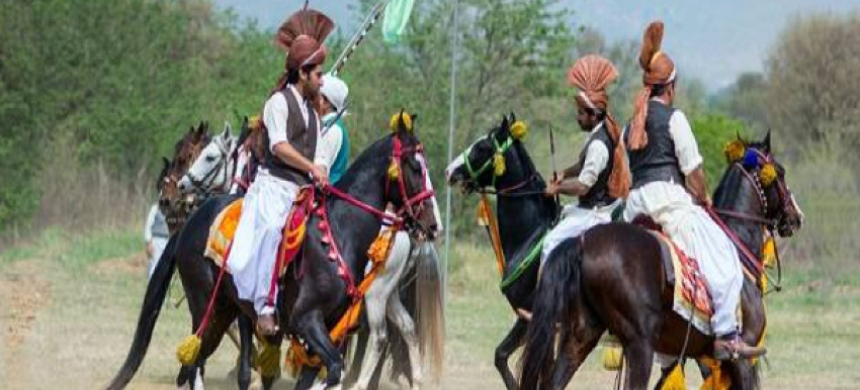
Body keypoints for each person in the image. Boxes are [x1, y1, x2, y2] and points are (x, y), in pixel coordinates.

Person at [623, 21, 764, 359]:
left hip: (635, 206)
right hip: (670, 205)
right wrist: (702, 196)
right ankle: (728, 334)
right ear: (670, 87)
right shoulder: (675, 119)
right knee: (725, 259)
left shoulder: (631, 125)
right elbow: (694, 170)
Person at [227, 8, 334, 335]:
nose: (322, 79)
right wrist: (310, 167)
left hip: (303, 192)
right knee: (274, 231)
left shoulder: (315, 115)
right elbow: (279, 147)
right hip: (273, 190)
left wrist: (322, 169)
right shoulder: (278, 103)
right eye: (318, 73)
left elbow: (318, 155)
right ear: (302, 72)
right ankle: (265, 306)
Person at [541, 55, 629, 263]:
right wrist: (564, 173)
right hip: (591, 209)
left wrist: (557, 189)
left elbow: (583, 187)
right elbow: (583, 165)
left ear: (593, 115)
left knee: (549, 244)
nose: (577, 117)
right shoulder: (597, 135)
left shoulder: (598, 144)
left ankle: (547, 295)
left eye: (581, 113)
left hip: (594, 214)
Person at [315, 74, 350, 184]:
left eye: (314, 95)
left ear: (325, 102)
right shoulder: (327, 125)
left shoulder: (332, 130)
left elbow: (319, 170)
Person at [143, 203, 170, 279]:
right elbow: (148, 226)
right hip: (156, 240)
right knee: (154, 266)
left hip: (169, 241)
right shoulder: (155, 208)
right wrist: (149, 242)